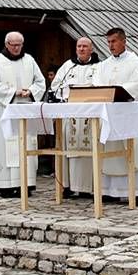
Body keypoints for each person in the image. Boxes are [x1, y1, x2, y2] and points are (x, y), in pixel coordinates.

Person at [92, 27, 138, 205]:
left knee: (130, 152)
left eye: (114, 41)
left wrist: (117, 91)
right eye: (109, 42)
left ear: (123, 41)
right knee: (108, 151)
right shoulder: (103, 65)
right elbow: (97, 83)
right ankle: (108, 191)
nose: (111, 45)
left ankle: (133, 191)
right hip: (109, 115)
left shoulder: (137, 63)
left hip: (128, 116)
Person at [0, 32, 45, 198]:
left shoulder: (29, 60)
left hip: (25, 110)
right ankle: (5, 185)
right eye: (13, 44)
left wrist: (31, 91)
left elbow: (40, 82)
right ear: (7, 44)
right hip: (6, 111)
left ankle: (25, 184)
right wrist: (13, 92)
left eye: (19, 44)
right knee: (6, 146)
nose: (16, 47)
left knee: (26, 144)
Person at [49, 36, 100, 198]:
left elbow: (102, 86)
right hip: (71, 115)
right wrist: (71, 91)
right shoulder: (68, 67)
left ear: (91, 49)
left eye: (85, 46)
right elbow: (55, 86)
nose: (82, 49)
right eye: (79, 46)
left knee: (92, 149)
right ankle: (68, 186)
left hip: (90, 115)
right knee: (67, 150)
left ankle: (91, 187)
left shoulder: (99, 67)